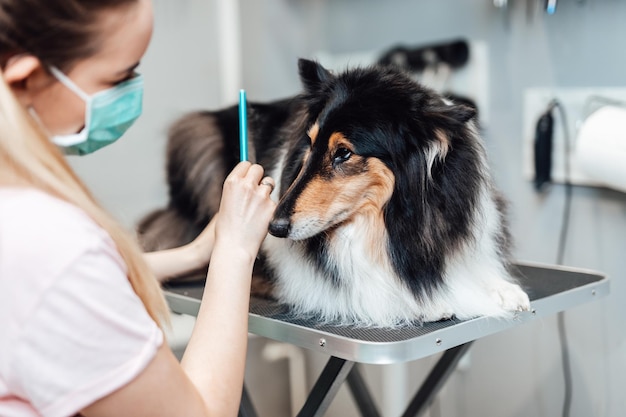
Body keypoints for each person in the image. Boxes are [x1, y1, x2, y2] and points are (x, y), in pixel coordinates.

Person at [0, 0, 277, 416]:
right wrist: (234, 250)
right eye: (119, 76)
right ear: (25, 79)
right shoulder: (52, 245)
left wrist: (194, 254)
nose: (131, 92)